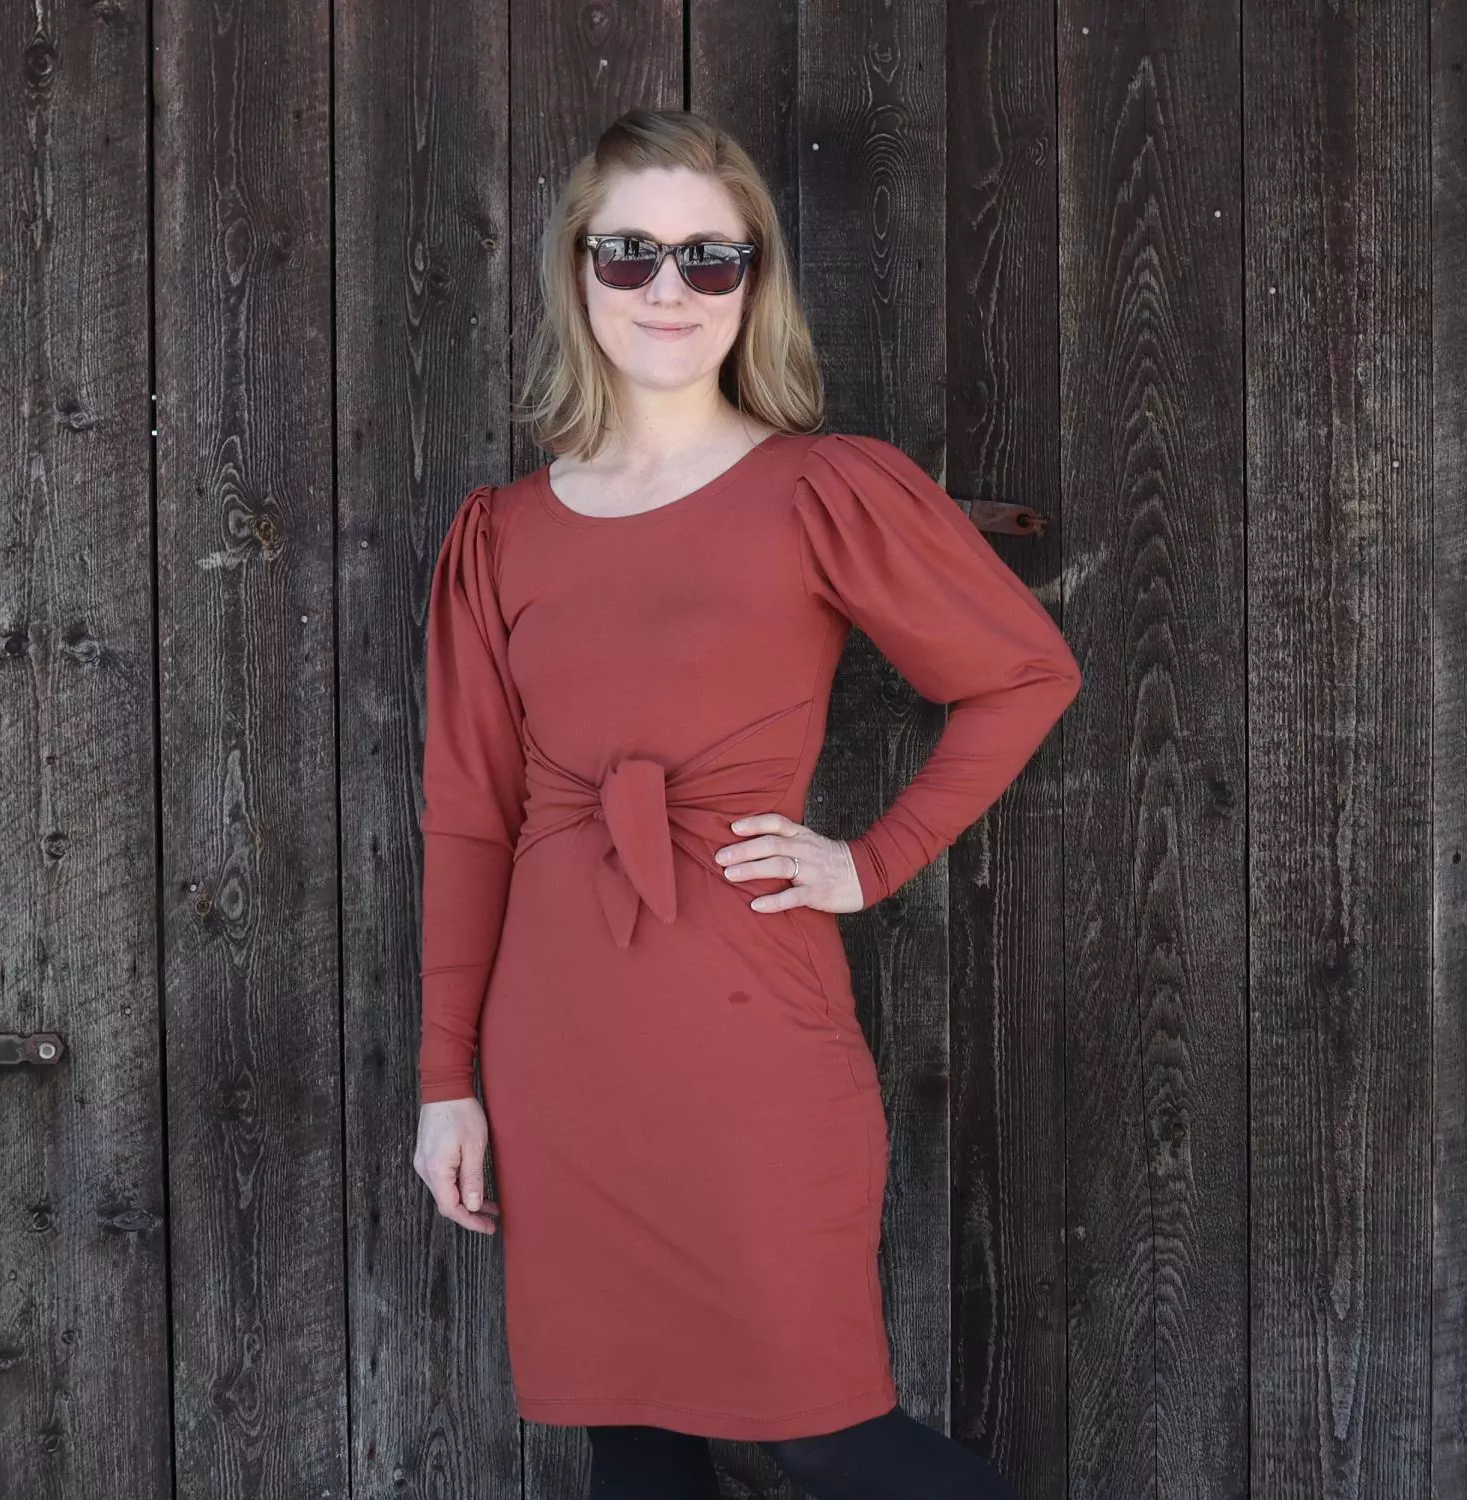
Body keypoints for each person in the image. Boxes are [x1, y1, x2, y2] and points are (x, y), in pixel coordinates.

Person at [410, 106, 1080, 1499]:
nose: (668, 288)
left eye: (710, 257)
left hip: (750, 1028)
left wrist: (872, 860)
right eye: (630, 253)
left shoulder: (821, 489)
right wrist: (446, 1085)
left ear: (754, 279)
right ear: (577, 271)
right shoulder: (500, 534)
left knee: (827, 1429)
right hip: (559, 1041)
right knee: (632, 1442)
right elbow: (472, 820)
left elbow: (1024, 673)